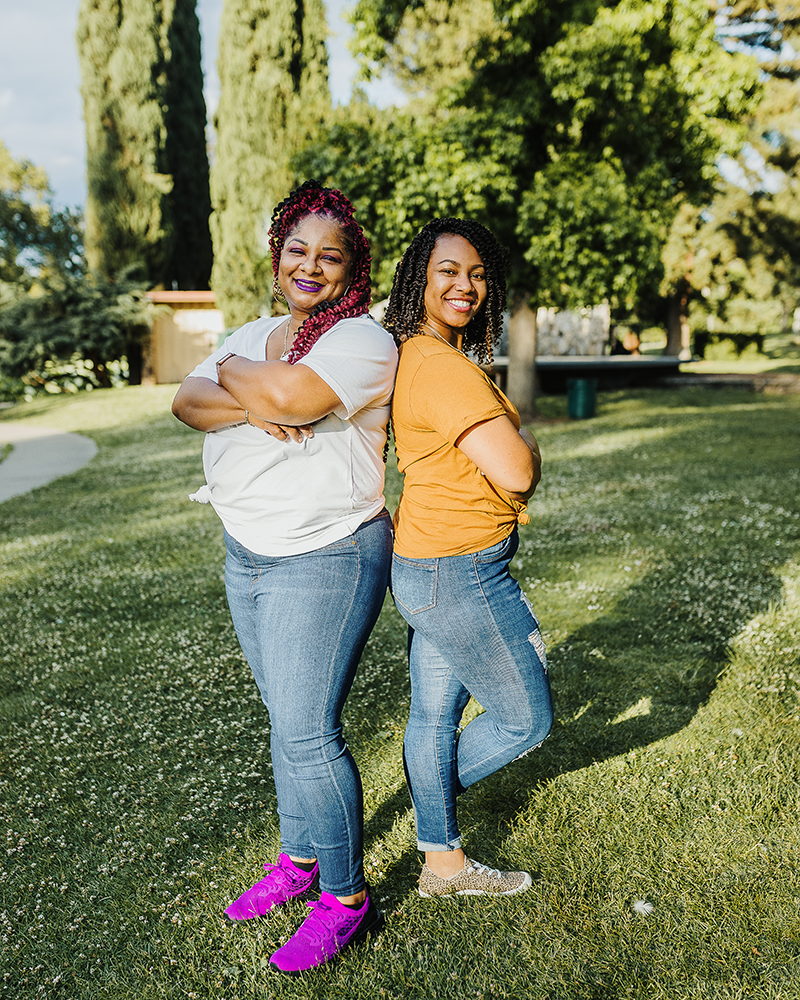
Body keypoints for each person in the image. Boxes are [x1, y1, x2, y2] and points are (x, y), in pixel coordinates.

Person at [172, 180, 397, 974]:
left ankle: (344, 897)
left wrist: (240, 379)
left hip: (327, 552)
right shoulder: (252, 330)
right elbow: (186, 402)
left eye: (329, 257)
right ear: (276, 257)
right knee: (285, 724)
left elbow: (296, 400)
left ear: (351, 271)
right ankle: (299, 861)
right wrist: (245, 389)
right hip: (249, 552)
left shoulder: (363, 340)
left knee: (307, 733)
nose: (310, 265)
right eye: (297, 250)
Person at [383, 217, 553, 899]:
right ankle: (432, 806)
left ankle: (443, 867)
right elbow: (515, 469)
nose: (467, 285)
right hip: (460, 574)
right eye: (449, 270)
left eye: (479, 274)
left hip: (426, 568)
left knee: (433, 717)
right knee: (525, 720)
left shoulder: (419, 356)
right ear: (418, 277)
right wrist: (531, 445)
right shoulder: (441, 367)